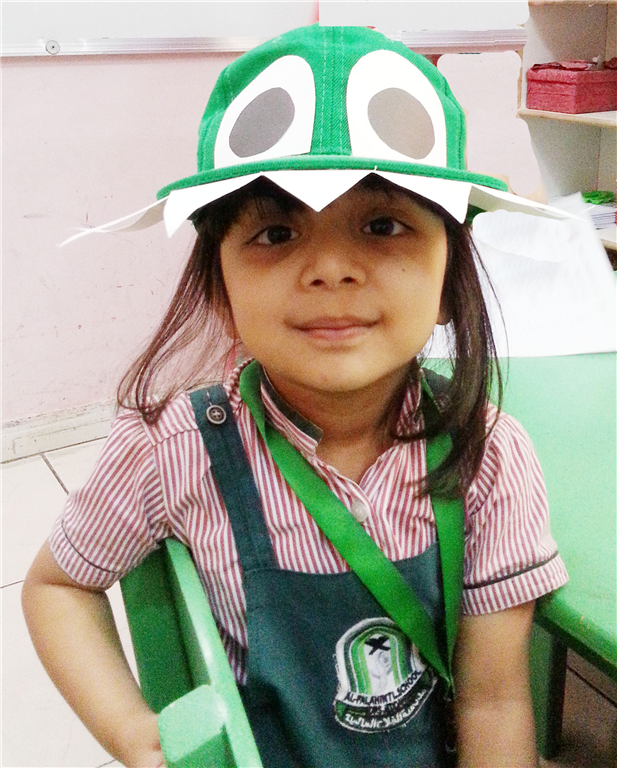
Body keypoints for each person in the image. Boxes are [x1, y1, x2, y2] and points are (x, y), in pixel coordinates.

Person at [22, 24, 569, 768]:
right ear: (221, 291)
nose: (330, 268)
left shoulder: (491, 458)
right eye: (276, 233)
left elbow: (493, 700)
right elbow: (56, 587)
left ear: (448, 282)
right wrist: (135, 734)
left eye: (382, 224)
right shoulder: (170, 450)